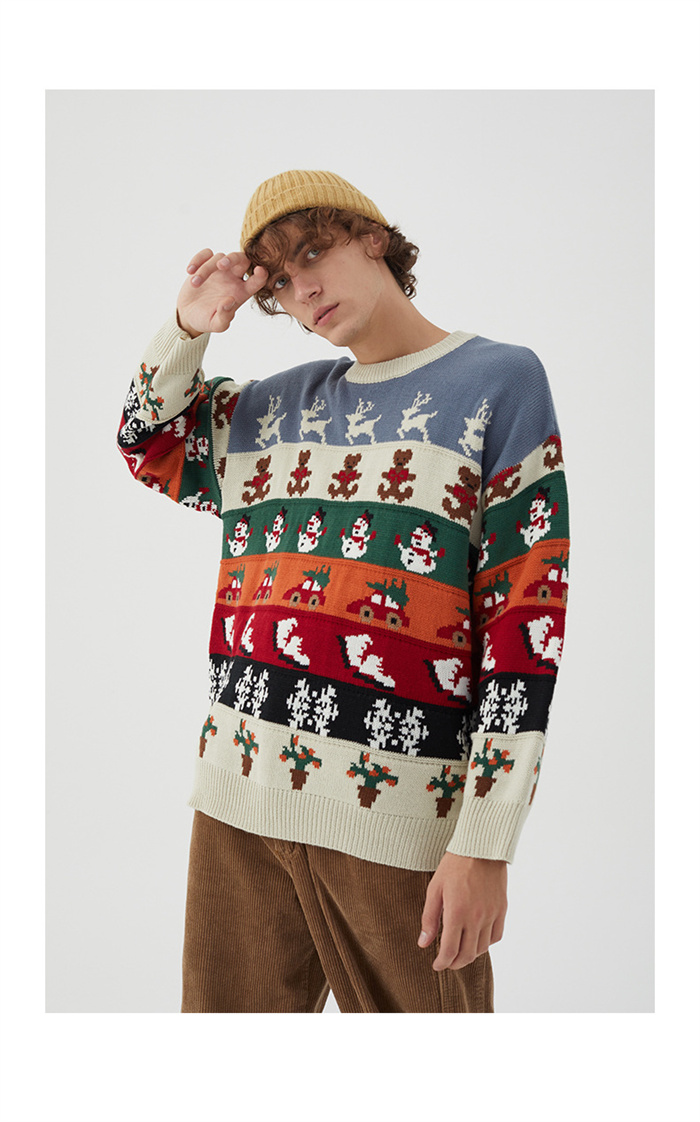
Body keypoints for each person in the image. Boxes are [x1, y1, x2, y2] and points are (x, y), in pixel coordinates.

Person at [117, 169, 570, 1013]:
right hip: (238, 801)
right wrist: (187, 327)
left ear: (374, 239)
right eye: (279, 283)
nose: (303, 291)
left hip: (398, 817)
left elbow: (526, 627)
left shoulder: (497, 382)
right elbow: (150, 445)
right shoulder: (271, 409)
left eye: (313, 253)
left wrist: (485, 842)